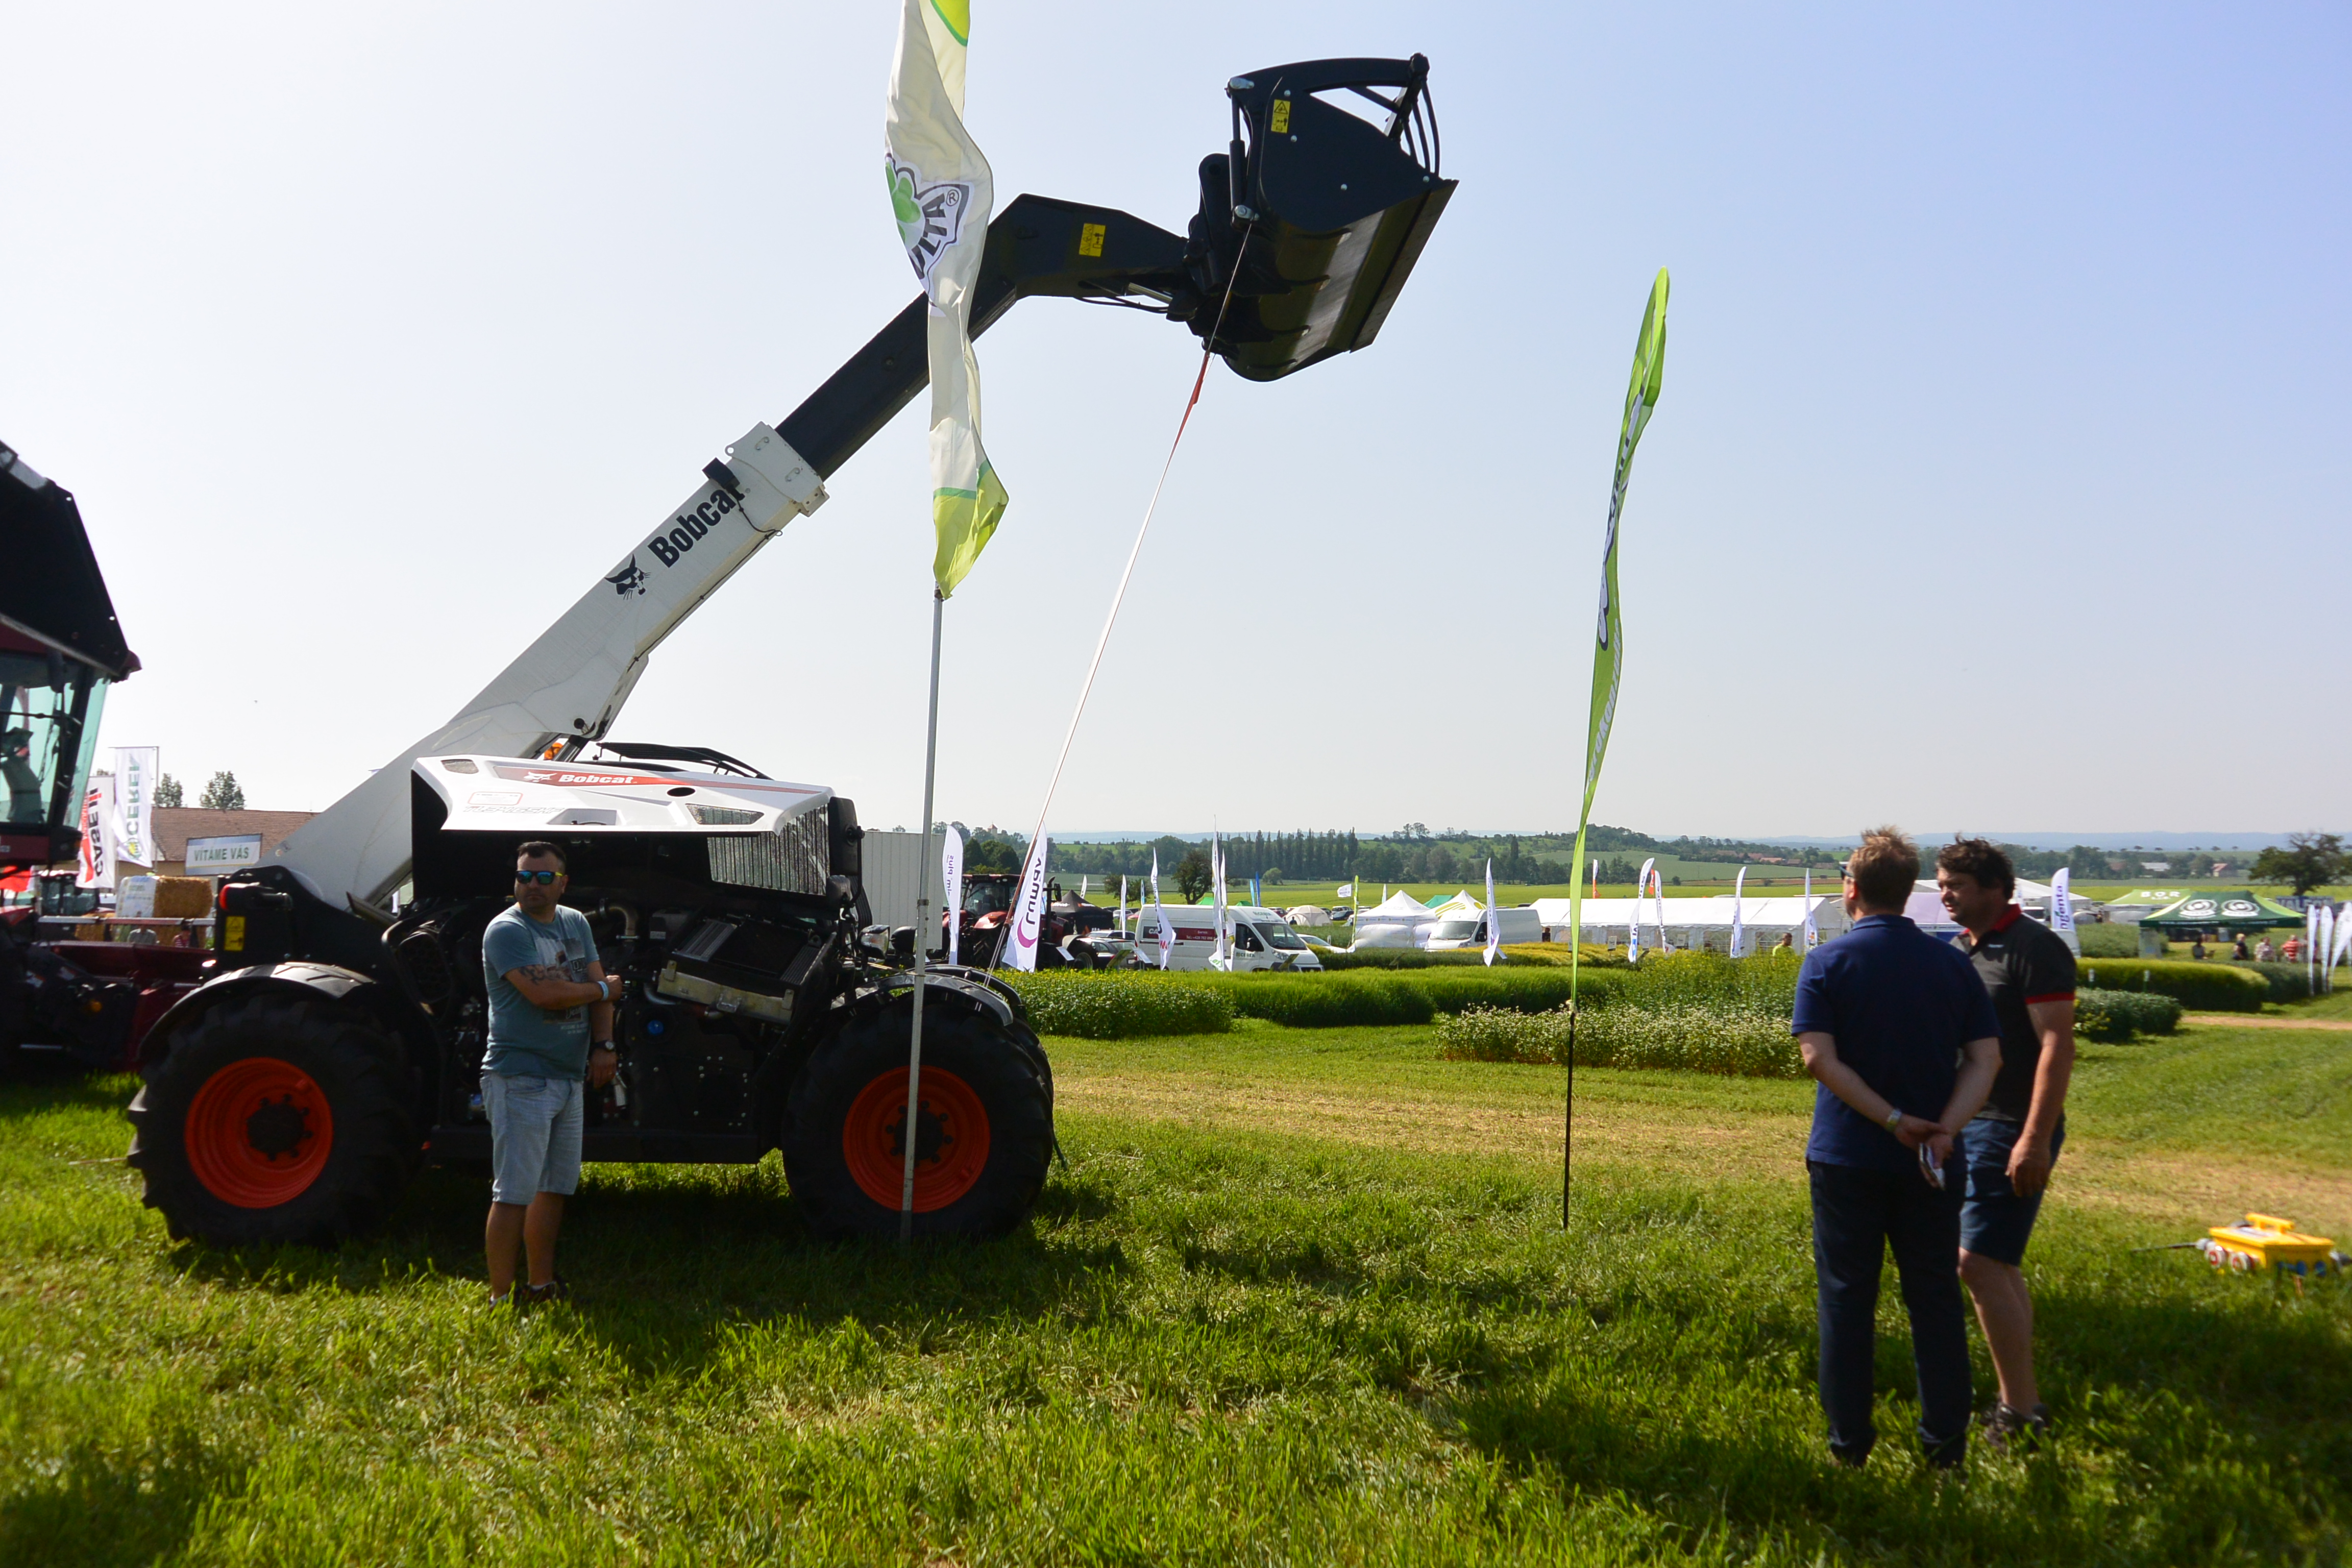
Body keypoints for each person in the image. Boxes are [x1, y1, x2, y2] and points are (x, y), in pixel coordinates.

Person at [1794, 828, 2003, 1469]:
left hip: (1848, 1156)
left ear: (1851, 889)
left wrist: (1891, 1120)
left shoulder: (1826, 963)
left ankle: (1849, 1446)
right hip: (1934, 1160)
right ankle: (1945, 1448)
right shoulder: (1952, 963)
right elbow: (1985, 1061)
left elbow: (1818, 1059)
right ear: (1910, 892)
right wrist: (1942, 1128)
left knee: (1847, 1299)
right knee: (1935, 1299)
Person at [1935, 837, 2077, 1446]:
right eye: (1942, 885)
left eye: (1957, 886)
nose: (1946, 895)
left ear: (1995, 889)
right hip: (1971, 1120)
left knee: (1975, 1262)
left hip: (2012, 1123)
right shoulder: (1961, 950)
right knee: (1999, 1263)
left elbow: (2057, 1045)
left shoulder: (2033, 948)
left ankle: (2019, 1410)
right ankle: (2021, 1396)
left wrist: (2035, 1139)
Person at [480, 841, 619, 1307]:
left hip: (566, 1076)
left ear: (563, 883)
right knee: (513, 1193)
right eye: (524, 877)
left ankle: (540, 1286)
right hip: (520, 1076)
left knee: (553, 1187)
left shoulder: (574, 923)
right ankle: (501, 1299)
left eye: (543, 878)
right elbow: (547, 995)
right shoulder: (506, 930)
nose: (532, 886)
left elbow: (597, 989)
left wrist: (604, 1045)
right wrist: (603, 988)